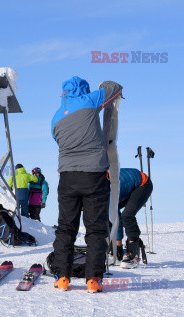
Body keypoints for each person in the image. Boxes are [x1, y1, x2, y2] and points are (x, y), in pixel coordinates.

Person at [50, 76, 123, 293]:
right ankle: (93, 280)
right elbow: (115, 88)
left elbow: (58, 141)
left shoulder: (55, 118)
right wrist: (103, 86)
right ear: (84, 90)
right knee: (95, 230)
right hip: (94, 176)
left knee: (65, 227)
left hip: (67, 178)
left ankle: (62, 277)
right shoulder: (90, 100)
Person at [114, 168, 153, 268]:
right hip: (126, 186)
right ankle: (113, 251)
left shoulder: (103, 190)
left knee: (127, 215)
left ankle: (134, 255)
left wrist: (118, 244)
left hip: (142, 184)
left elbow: (115, 215)